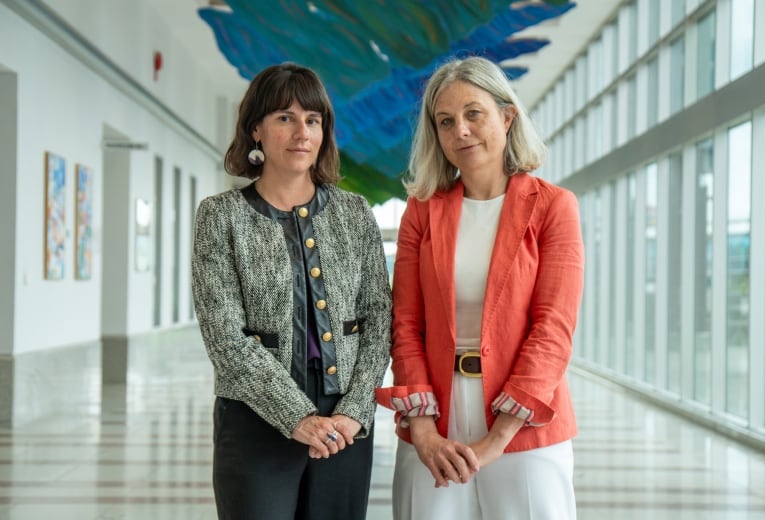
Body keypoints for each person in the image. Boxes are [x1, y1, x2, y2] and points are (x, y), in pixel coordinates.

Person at [375, 56, 584, 519]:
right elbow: (406, 323)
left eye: (474, 114)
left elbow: (554, 328)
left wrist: (496, 441)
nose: (461, 131)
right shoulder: (422, 211)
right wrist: (425, 431)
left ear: (507, 117)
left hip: (524, 425)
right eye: (446, 122)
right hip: (433, 419)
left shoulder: (553, 207)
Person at [191, 62, 392, 520]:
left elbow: (379, 319)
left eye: (313, 120)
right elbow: (225, 340)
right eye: (285, 117)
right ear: (256, 130)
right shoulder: (220, 216)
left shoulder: (354, 213)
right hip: (255, 417)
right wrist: (296, 416)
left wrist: (356, 411)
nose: (301, 131)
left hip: (344, 421)